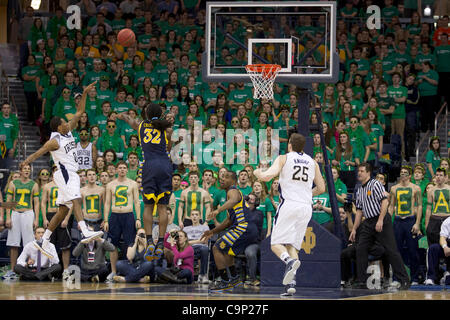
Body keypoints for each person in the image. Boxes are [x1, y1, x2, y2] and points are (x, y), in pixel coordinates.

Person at [19, 81, 104, 260]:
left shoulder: (68, 131)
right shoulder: (55, 140)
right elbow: (40, 151)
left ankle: (44, 240)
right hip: (65, 173)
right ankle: (84, 230)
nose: (68, 122)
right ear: (59, 127)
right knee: (75, 199)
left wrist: (85, 92)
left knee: (63, 210)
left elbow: (80, 112)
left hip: (69, 173)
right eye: (65, 121)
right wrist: (26, 161)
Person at [253, 133, 325, 296]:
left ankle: (290, 261)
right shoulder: (313, 162)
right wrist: (305, 194)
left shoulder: (284, 158)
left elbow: (266, 176)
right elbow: (321, 188)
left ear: (290, 145)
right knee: (292, 245)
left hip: (289, 205)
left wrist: (258, 172)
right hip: (306, 207)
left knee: (275, 244)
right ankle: (291, 284)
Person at [117, 103, 173, 263]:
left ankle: (149, 240)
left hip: (149, 166)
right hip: (164, 165)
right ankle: (161, 242)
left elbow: (128, 118)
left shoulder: (140, 125)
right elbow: (168, 147)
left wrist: (122, 115)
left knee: (148, 206)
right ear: (160, 114)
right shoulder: (166, 129)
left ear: (146, 114)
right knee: (162, 207)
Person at [350, 163, 410, 289]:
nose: (359, 173)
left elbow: (385, 202)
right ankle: (362, 281)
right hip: (368, 222)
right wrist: (354, 229)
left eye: (361, 171)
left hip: (381, 219)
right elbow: (359, 211)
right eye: (358, 171)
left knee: (391, 250)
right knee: (361, 248)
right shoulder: (360, 189)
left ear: (368, 173)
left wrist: (381, 220)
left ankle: (404, 279)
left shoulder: (375, 184)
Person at [200, 170, 259, 292]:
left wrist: (217, 210)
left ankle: (225, 280)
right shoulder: (230, 196)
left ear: (233, 181)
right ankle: (235, 279)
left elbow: (233, 200)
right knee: (227, 251)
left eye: (226, 177)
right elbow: (228, 221)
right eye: (221, 176)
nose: (222, 178)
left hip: (243, 227)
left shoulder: (233, 190)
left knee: (216, 248)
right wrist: (212, 231)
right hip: (247, 228)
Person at [103, 161, 141, 282]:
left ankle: (129, 270)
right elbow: (107, 203)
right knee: (113, 245)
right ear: (116, 170)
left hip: (128, 215)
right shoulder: (110, 185)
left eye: (124, 168)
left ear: (127, 169)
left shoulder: (133, 184)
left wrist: (138, 218)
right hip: (114, 216)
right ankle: (113, 271)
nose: (122, 170)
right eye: (120, 168)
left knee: (130, 244)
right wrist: (106, 220)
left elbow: (136, 202)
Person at [388, 166, 422, 285]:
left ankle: (415, 278)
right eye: (401, 172)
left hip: (410, 220)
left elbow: (420, 206)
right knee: (396, 251)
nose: (402, 174)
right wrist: (388, 221)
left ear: (409, 175)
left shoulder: (416, 188)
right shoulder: (393, 188)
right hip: (397, 221)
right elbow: (391, 206)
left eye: (405, 173)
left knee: (413, 251)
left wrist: (417, 223)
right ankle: (397, 278)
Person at [4, 163, 40, 279]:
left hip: (28, 213)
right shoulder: (13, 183)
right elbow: (8, 201)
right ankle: (13, 270)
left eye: (29, 169)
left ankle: (28, 270)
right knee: (13, 243)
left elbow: (37, 203)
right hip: (15, 213)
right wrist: (8, 217)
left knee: (29, 244)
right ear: (20, 170)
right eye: (25, 168)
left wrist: (36, 219)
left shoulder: (34, 184)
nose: (27, 170)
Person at [40, 172, 73, 280]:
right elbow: (43, 202)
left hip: (63, 215)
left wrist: (67, 218)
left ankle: (66, 271)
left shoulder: (66, 185)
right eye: (53, 171)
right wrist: (44, 218)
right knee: (49, 245)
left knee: (65, 246)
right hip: (50, 215)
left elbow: (71, 202)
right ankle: (49, 271)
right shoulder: (47, 186)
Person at [183, 209, 210, 284]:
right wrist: (198, 240)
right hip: (189, 249)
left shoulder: (205, 228)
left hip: (201, 248)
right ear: (190, 217)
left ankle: (202, 275)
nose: (194, 217)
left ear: (200, 217)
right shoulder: (185, 229)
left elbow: (204, 240)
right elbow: (182, 242)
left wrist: (189, 242)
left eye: (196, 215)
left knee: (204, 249)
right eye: (193, 215)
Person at [425, 167, 450, 247]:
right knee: (433, 245)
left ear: (445, 177)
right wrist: (427, 224)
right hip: (434, 219)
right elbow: (428, 209)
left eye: (441, 175)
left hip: (447, 218)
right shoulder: (431, 190)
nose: (438, 177)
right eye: (437, 175)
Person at [424, 216, 450, 286]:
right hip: (448, 245)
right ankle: (431, 277)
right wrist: (445, 247)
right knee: (433, 248)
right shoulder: (447, 221)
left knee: (448, 281)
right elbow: (442, 238)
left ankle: (447, 274)